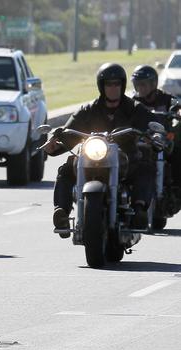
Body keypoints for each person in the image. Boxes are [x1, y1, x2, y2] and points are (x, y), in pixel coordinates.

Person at [43, 63, 157, 235]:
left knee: (145, 166)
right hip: (92, 156)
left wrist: (154, 134)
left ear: (123, 85)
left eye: (116, 84)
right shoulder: (89, 109)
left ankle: (139, 209)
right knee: (67, 169)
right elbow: (69, 132)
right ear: (101, 86)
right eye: (108, 84)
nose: (113, 88)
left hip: (125, 157)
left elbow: (150, 124)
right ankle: (61, 213)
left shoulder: (133, 108)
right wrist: (55, 145)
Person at [131, 64, 181, 189]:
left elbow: (178, 105)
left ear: (153, 84)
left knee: (177, 153)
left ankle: (177, 186)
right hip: (142, 138)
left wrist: (179, 111)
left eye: (143, 84)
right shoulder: (133, 102)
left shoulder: (166, 99)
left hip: (164, 138)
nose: (140, 88)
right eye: (137, 85)